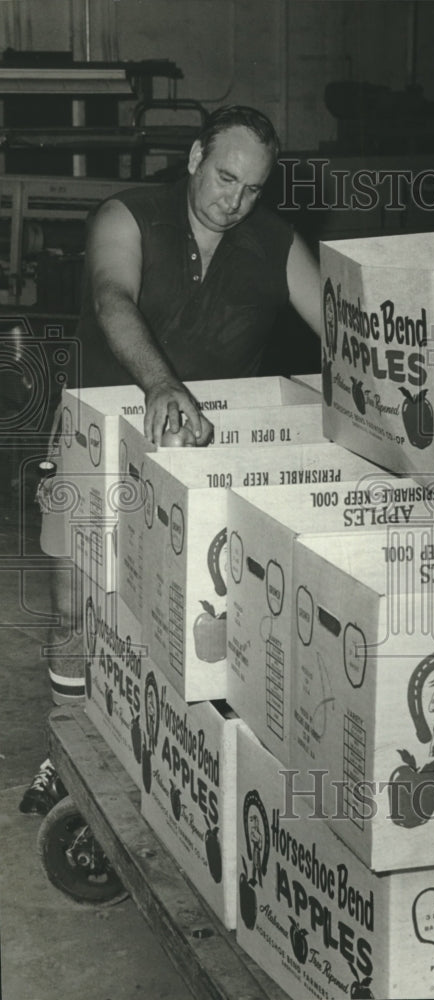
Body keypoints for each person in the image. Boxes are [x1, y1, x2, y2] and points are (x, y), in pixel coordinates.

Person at [20, 104, 322, 814]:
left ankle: (174, 765)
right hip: (102, 436)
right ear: (193, 158)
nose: (233, 200)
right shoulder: (127, 215)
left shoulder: (274, 244)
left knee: (192, 627)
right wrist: (160, 383)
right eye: (223, 177)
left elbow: (343, 328)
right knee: (77, 612)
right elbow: (110, 297)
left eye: (252, 189)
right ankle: (61, 751)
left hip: (207, 460)